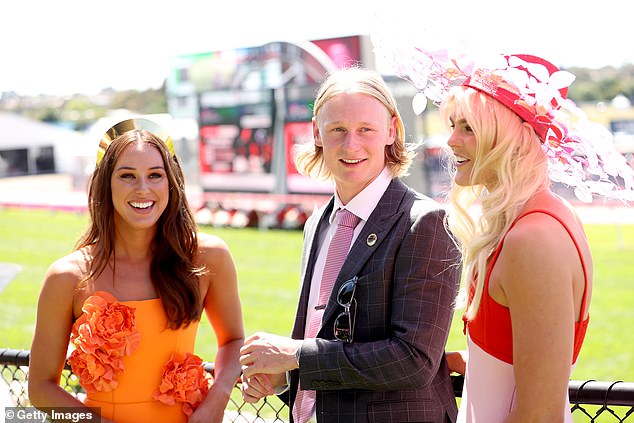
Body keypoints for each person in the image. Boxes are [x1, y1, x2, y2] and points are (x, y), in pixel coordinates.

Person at [373, 33, 634, 422]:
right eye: (453, 125)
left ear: (509, 138)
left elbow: (539, 415)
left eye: (469, 128)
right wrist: (480, 360)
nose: (451, 140)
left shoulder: (534, 239)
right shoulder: (532, 221)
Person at [239, 67, 462, 423]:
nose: (350, 144)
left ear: (391, 130)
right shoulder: (318, 224)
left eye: (365, 130)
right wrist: (281, 376)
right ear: (316, 132)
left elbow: (413, 360)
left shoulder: (426, 222)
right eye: (337, 130)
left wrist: (294, 354)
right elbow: (322, 341)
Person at [28, 118, 245, 423]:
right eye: (127, 176)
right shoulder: (68, 277)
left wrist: (216, 401)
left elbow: (234, 340)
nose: (143, 189)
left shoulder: (209, 257)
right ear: (106, 183)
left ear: (171, 182)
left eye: (155, 175)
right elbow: (40, 389)